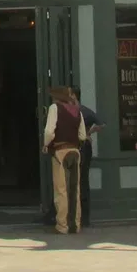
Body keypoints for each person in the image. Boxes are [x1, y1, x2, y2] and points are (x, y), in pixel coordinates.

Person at [42, 86, 86, 235]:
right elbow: (82, 135)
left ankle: (63, 225)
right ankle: (76, 224)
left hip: (60, 152)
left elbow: (49, 131)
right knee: (75, 189)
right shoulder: (77, 110)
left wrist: (46, 144)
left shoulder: (55, 108)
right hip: (75, 151)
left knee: (61, 190)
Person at [70, 86, 103, 226]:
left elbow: (102, 123)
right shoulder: (77, 111)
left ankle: (82, 217)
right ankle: (80, 217)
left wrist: (88, 133)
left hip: (81, 147)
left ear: (73, 95)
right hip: (77, 147)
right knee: (79, 181)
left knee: (81, 180)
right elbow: (101, 124)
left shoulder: (82, 111)